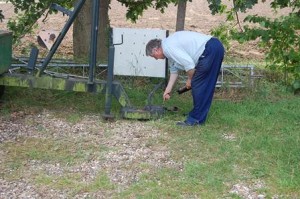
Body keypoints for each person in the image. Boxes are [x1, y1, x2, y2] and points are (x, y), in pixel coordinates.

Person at [145, 30, 225, 126]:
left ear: (156, 50)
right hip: (213, 47)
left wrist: (190, 80)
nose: (156, 59)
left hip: (210, 49)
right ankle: (197, 114)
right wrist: (168, 89)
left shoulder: (168, 48)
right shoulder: (168, 48)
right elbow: (174, 72)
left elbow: (189, 65)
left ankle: (195, 120)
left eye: (154, 56)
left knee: (199, 85)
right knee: (203, 85)